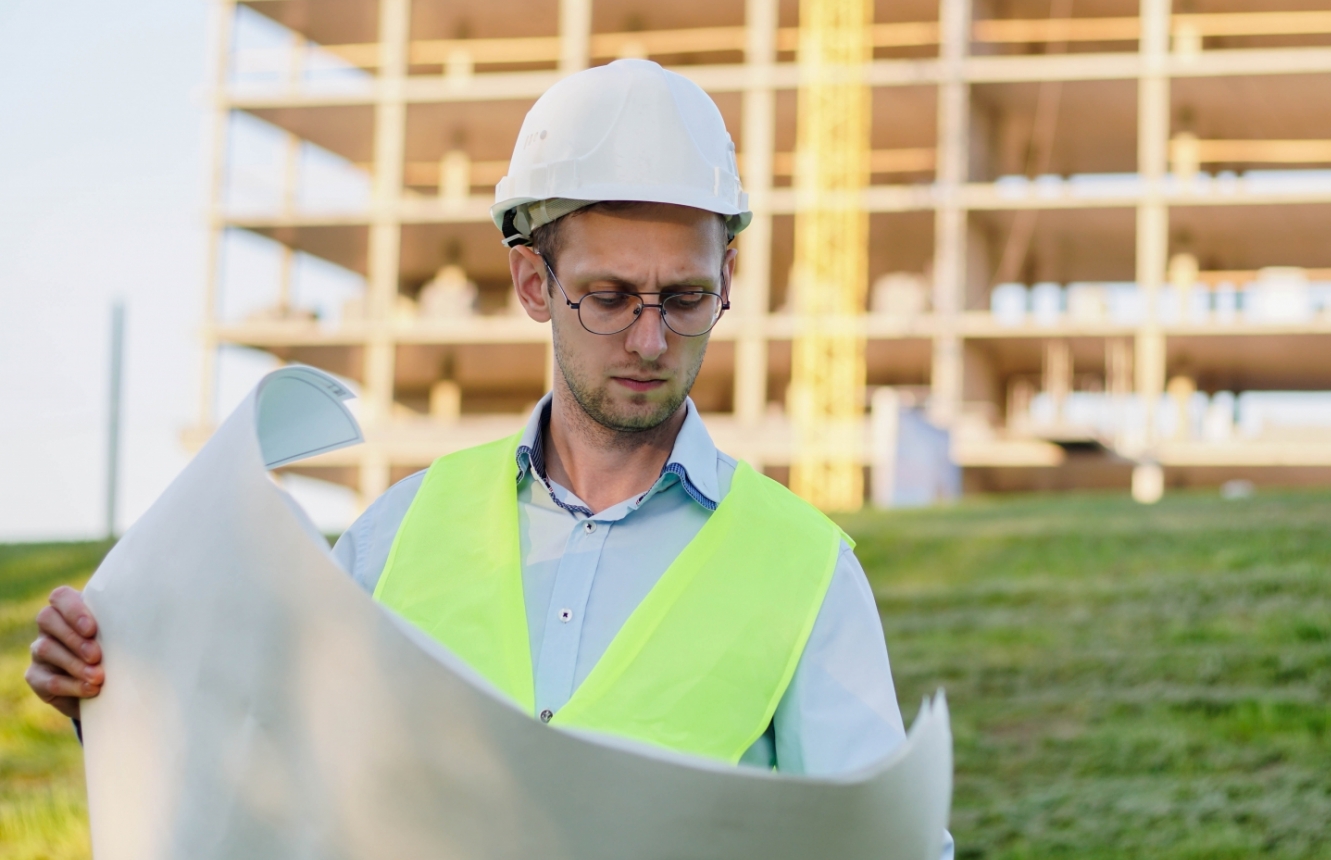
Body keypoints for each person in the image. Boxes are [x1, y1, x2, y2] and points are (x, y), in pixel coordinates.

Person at [27, 58, 952, 856]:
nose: (648, 338)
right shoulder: (397, 532)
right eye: (608, 295)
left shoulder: (806, 574)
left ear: (728, 283)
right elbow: (266, 786)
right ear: (530, 283)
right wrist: (110, 704)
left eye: (684, 297)